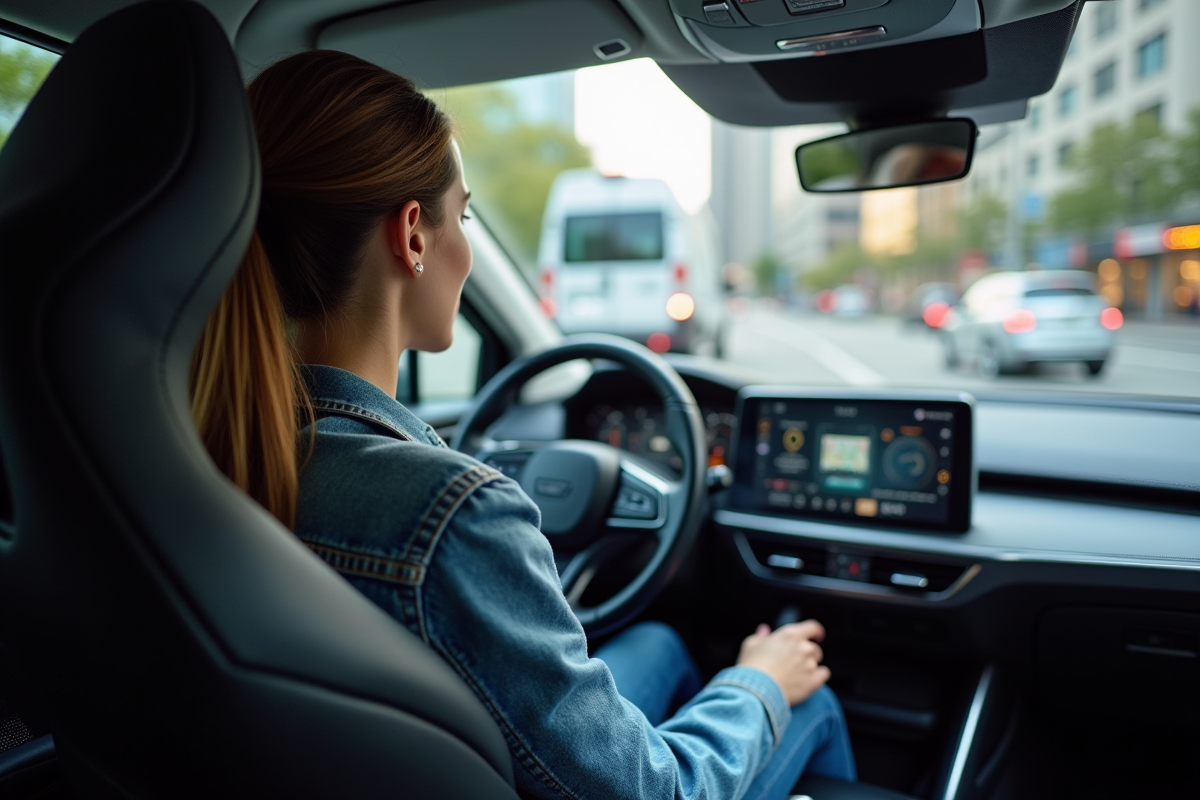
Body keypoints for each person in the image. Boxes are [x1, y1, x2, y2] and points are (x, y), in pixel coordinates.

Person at [189, 50, 856, 800]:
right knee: (804, 693)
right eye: (465, 214)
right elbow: (656, 793)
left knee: (662, 644)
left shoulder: (189, 455)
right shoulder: (453, 517)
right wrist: (758, 682)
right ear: (412, 237)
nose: (466, 241)